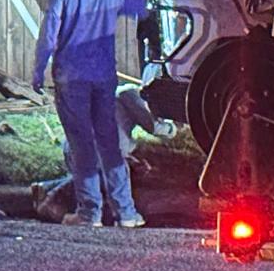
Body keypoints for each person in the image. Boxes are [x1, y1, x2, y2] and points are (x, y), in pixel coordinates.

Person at [31, 0, 149, 228]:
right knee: (109, 144)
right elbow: (141, 9)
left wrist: (37, 70)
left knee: (82, 145)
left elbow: (49, 35)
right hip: (104, 79)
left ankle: (89, 213)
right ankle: (127, 213)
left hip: (72, 79)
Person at [31, 84, 176, 222]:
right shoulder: (130, 93)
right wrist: (174, 128)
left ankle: (45, 187)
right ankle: (54, 199)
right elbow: (153, 126)